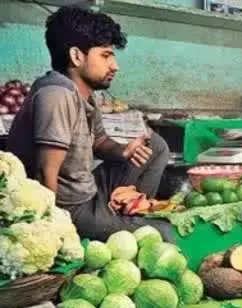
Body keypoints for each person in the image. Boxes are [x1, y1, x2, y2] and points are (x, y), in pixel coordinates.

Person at [6, 6, 174, 242]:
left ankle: (130, 211)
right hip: (70, 208)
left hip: (89, 190)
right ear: (76, 56)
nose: (115, 66)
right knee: (164, 235)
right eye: (105, 56)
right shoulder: (56, 94)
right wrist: (53, 232)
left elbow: (100, 141)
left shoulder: (85, 94)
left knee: (155, 146)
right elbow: (46, 173)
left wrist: (123, 151)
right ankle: (124, 226)